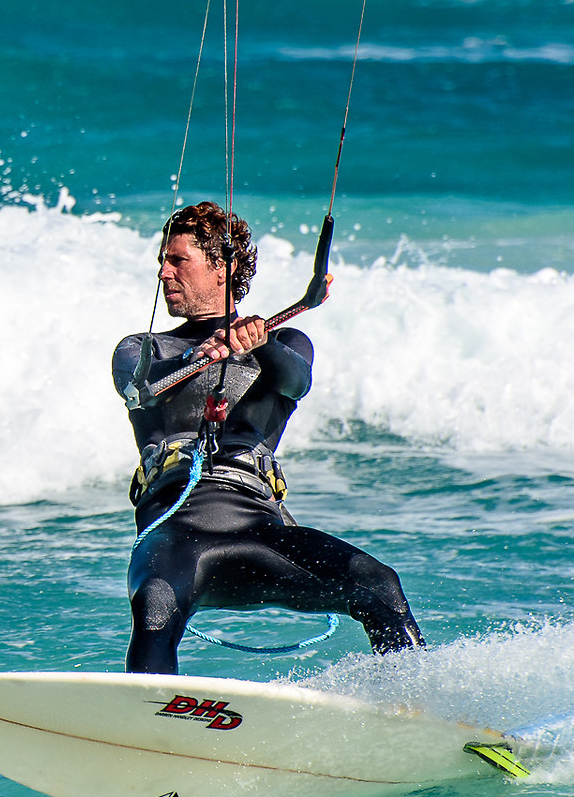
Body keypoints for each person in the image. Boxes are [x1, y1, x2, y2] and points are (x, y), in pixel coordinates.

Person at [111, 201, 423, 672]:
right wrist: (204, 352)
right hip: (176, 536)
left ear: (224, 268)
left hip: (261, 532)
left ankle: (422, 703)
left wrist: (261, 344)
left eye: (177, 260)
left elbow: (296, 381)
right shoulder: (143, 349)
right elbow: (140, 388)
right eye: (162, 260)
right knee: (154, 602)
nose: (163, 273)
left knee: (379, 582)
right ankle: (148, 724)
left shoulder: (286, 344)